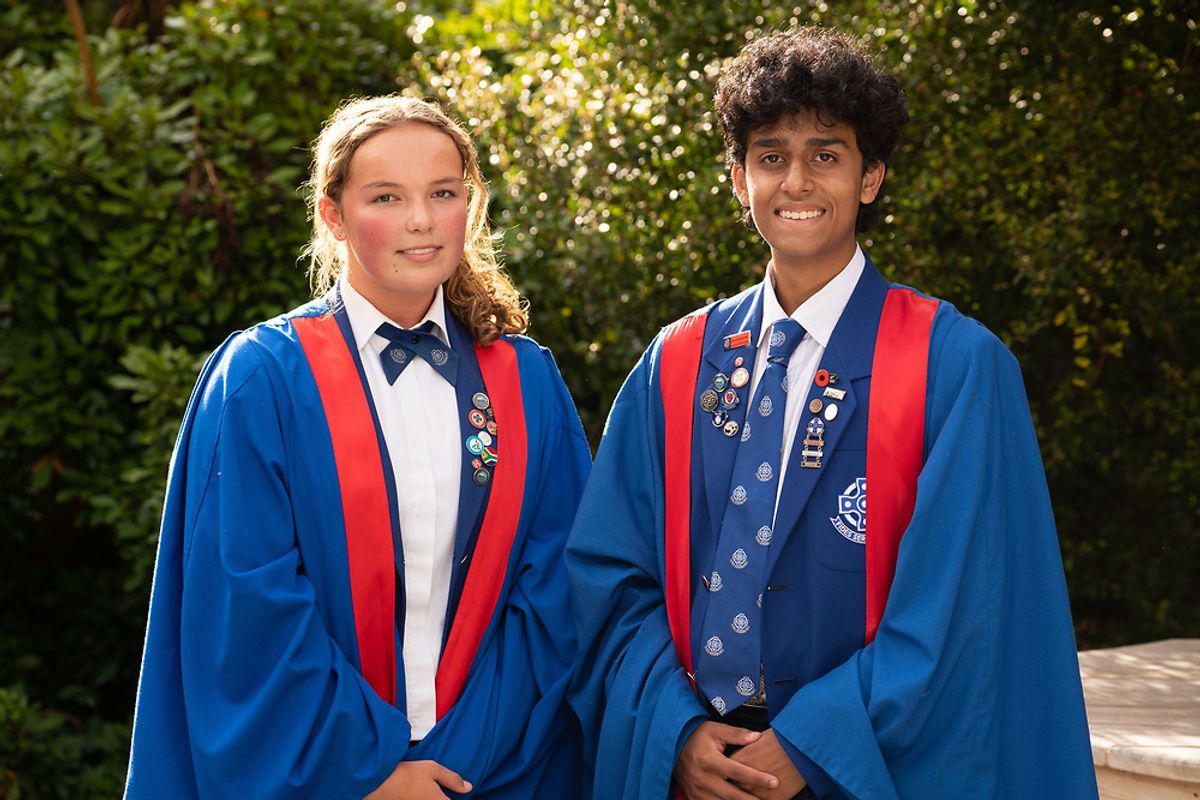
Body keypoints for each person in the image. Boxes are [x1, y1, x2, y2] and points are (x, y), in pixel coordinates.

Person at [567, 27, 1098, 800]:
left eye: (826, 154)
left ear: (870, 176)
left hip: (860, 770)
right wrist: (674, 731)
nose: (796, 181)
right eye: (770, 156)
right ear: (739, 179)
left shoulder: (953, 366)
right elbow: (611, 578)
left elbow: (963, 608)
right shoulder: (677, 362)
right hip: (699, 769)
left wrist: (814, 743)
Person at [124, 95, 590, 799]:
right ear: (333, 215)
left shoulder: (525, 382)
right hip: (327, 775)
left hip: (496, 771)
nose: (421, 220)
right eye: (386, 197)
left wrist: (466, 761)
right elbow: (248, 602)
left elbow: (557, 588)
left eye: (443, 193)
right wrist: (369, 771)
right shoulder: (264, 379)